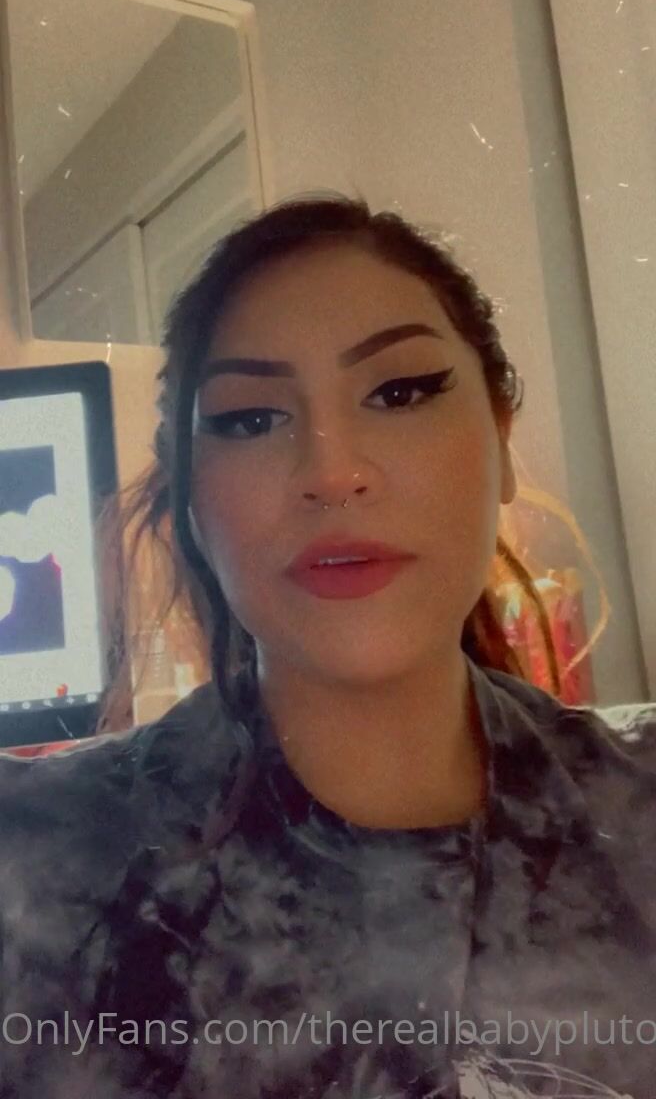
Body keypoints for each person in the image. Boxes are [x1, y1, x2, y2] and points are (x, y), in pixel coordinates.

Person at [0, 194, 655, 1099]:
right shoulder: (27, 865)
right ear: (189, 492)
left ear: (502, 440)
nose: (332, 471)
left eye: (400, 391)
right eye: (249, 418)